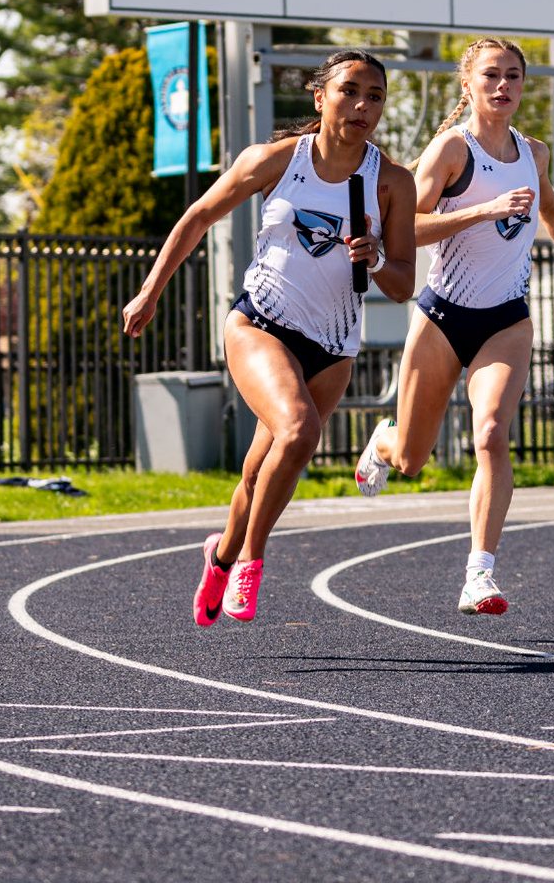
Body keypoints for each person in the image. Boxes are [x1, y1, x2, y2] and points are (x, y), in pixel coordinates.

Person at [123, 50, 416, 625]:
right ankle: (253, 563)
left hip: (333, 346)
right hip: (261, 323)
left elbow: (404, 283)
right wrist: (151, 290)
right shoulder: (278, 161)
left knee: (260, 473)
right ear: (319, 96)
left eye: (374, 96)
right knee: (300, 429)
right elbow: (198, 216)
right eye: (349, 91)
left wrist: (377, 258)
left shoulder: (392, 183)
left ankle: (223, 553)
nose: (361, 106)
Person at [354, 37, 554, 615]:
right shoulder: (452, 150)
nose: (504, 87)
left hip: (506, 319)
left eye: (514, 77)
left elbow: (551, 209)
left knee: (492, 433)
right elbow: (407, 229)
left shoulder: (534, 153)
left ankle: (480, 574)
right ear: (468, 84)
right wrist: (483, 210)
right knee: (412, 460)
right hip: (442, 315)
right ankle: (386, 438)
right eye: (492, 76)